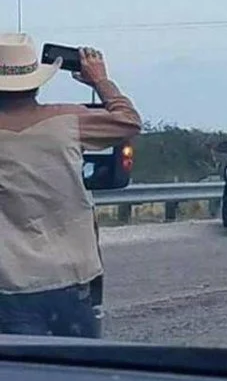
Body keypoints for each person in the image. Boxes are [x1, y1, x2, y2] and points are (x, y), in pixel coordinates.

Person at [0, 35, 141, 337]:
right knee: (80, 372)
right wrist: (101, 81)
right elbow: (129, 121)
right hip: (71, 277)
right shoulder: (68, 120)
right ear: (36, 81)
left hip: (9, 285)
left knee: (20, 379)